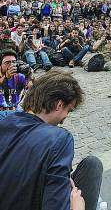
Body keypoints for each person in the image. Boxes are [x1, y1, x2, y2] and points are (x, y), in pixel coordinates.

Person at [0, 69, 103, 210]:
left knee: (92, 164)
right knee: (93, 166)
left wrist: (59, 176)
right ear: (59, 104)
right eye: (68, 110)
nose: (64, 118)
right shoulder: (59, 139)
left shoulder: (5, 120)